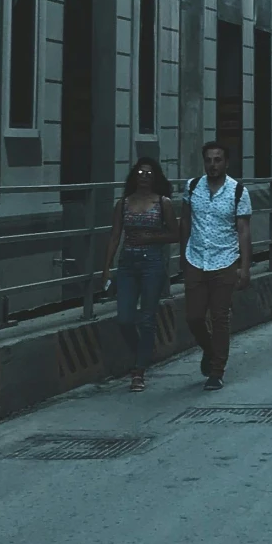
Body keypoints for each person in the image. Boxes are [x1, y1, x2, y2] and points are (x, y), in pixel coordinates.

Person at [101, 157, 179, 390]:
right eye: (140, 173)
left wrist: (151, 237)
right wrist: (106, 268)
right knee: (124, 318)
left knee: (147, 318)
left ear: (155, 178)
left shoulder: (162, 203)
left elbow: (175, 234)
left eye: (149, 174)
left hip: (152, 263)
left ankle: (139, 371)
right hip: (127, 263)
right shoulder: (123, 203)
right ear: (134, 177)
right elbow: (115, 235)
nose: (144, 177)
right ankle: (142, 353)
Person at [180, 140, 253, 388]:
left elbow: (243, 230)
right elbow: (186, 223)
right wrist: (183, 254)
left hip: (225, 260)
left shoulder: (238, 191)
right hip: (196, 259)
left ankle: (216, 371)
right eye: (209, 160)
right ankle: (209, 350)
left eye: (218, 160)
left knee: (220, 317)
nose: (213, 165)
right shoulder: (191, 188)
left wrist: (245, 266)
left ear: (226, 162)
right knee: (194, 317)